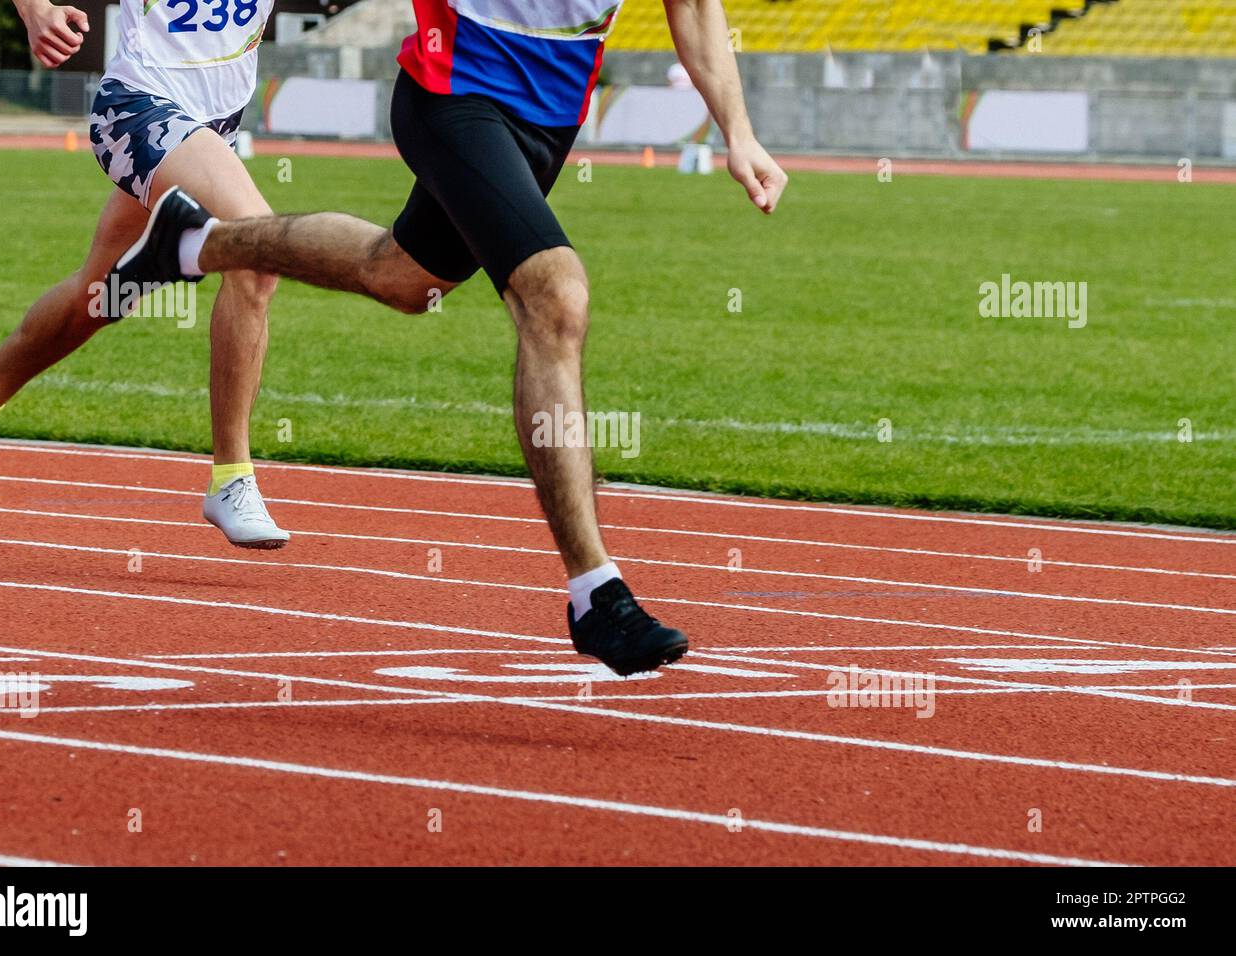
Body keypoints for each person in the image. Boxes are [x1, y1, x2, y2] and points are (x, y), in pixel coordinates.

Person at [110, 0, 788, 675]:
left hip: (550, 118)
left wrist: (740, 131)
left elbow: (693, 6)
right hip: (454, 93)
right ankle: (595, 593)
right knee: (555, 296)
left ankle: (196, 242)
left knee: (401, 277)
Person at [0, 0, 288, 548]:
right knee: (257, 251)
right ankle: (231, 478)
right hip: (138, 107)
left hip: (214, 123)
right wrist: (34, 11)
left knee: (101, 297)